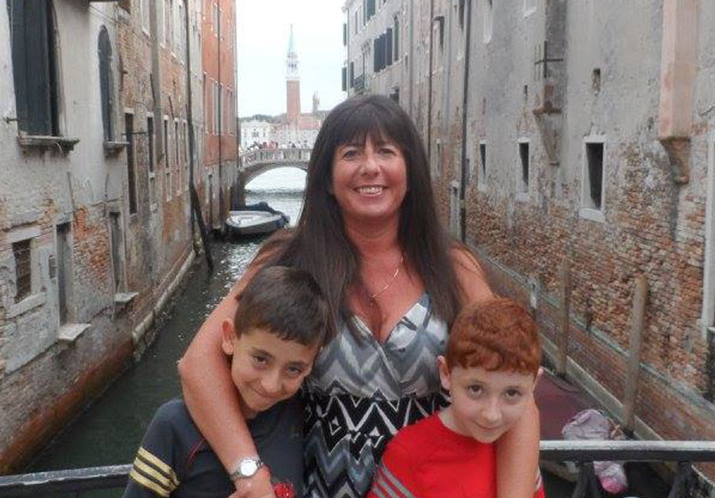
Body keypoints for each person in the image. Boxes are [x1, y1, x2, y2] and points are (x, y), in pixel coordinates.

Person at [178, 94, 540, 498]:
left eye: (386, 151)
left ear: (410, 169)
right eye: (351, 153)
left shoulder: (452, 267)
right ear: (327, 178)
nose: (370, 167)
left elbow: (516, 387)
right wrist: (249, 472)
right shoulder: (289, 259)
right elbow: (198, 364)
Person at [123, 266, 333, 498]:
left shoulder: (297, 413)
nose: (271, 385)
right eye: (260, 359)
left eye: (293, 369)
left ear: (312, 362)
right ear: (230, 337)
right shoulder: (173, 426)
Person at [367, 298, 545, 498]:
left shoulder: (519, 449)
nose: (491, 415)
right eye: (476, 389)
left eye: (512, 393)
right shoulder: (410, 455)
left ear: (534, 384)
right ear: (446, 373)